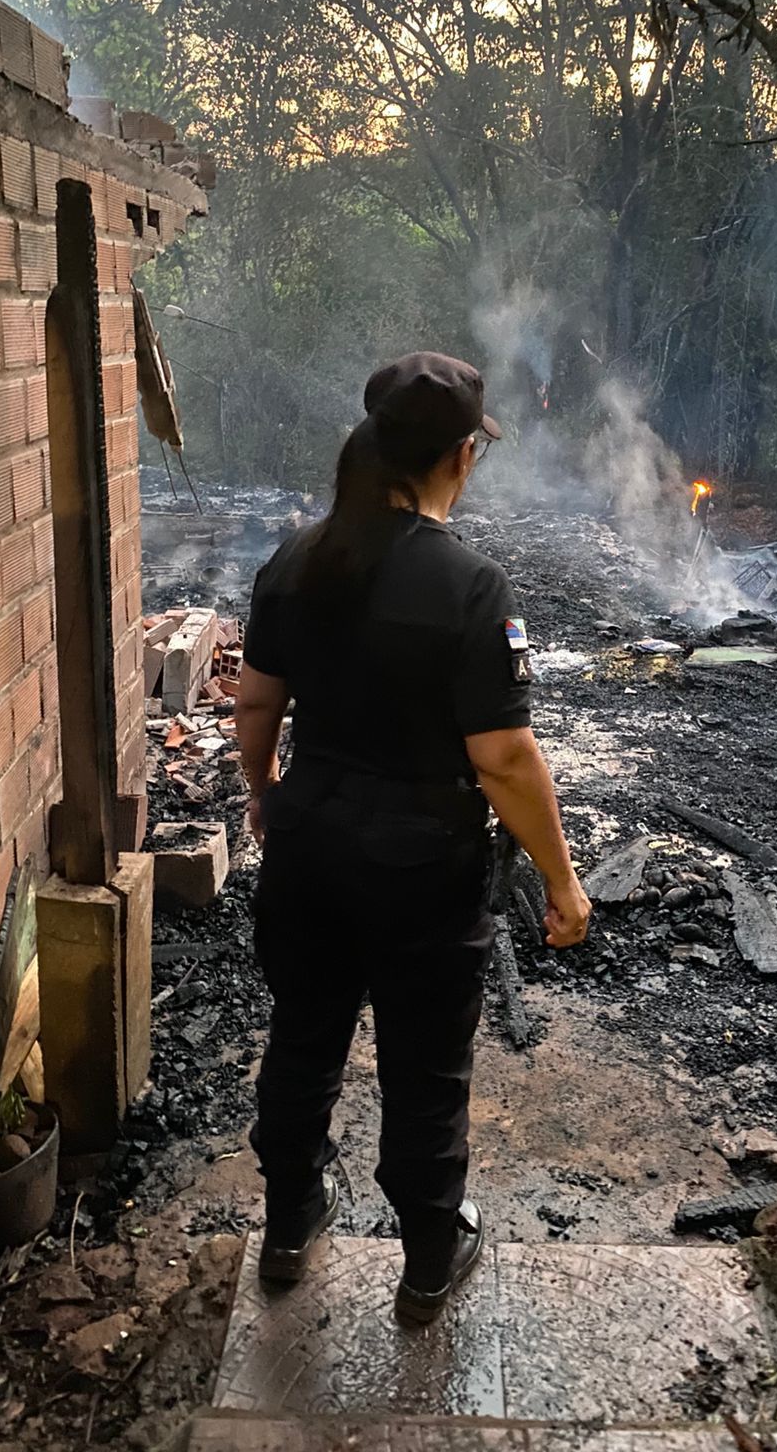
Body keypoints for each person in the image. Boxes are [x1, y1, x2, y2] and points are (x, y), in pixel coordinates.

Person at [234, 351, 591, 1325]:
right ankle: (430, 1258)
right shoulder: (471, 587)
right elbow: (507, 760)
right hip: (423, 868)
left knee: (303, 1038)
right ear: (461, 458)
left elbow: (256, 699)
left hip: (310, 846)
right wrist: (563, 883)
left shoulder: (295, 558)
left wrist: (265, 796)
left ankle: (287, 1226)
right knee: (425, 1067)